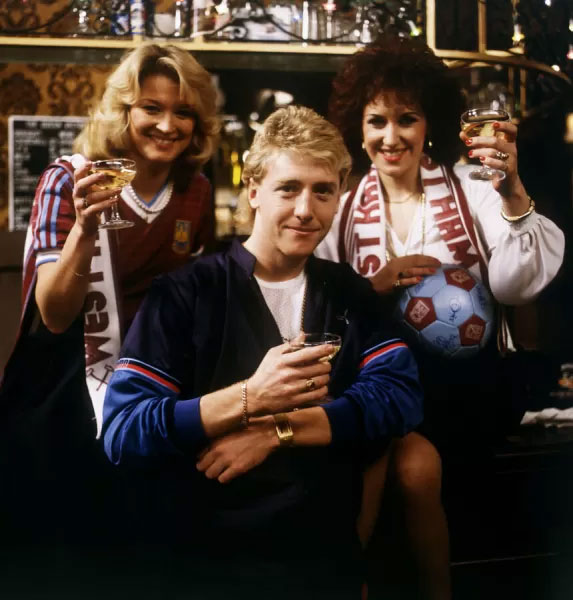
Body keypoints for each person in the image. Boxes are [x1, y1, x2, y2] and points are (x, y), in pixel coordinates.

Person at [101, 105, 424, 599]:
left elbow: (400, 397)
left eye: (322, 191)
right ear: (253, 190)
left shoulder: (347, 292)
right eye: (288, 188)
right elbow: (124, 431)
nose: (305, 209)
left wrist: (279, 432)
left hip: (324, 564)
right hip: (209, 568)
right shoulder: (186, 294)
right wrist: (250, 396)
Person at [315, 36, 565, 600]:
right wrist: (372, 286)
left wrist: (513, 188)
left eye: (408, 118)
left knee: (404, 469)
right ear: (358, 127)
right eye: (377, 120)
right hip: (380, 381)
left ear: (431, 123)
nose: (391, 136)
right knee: (399, 468)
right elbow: (322, 304)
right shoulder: (344, 204)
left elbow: (514, 283)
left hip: (467, 391)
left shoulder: (473, 187)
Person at [0, 43, 219, 568]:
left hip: (152, 381)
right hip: (66, 387)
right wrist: (84, 229)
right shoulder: (70, 179)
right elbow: (54, 315)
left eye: (183, 112)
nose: (168, 124)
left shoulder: (196, 191)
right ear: (123, 111)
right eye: (152, 108)